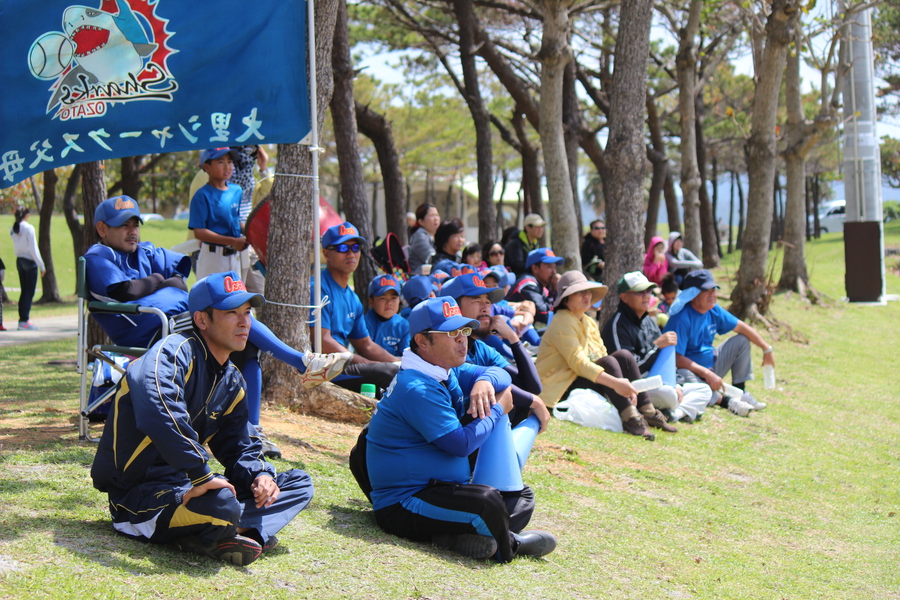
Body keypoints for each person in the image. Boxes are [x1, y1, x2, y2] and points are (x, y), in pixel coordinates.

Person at [84, 196, 350, 458]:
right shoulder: (99, 255)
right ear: (102, 229)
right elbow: (126, 290)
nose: (132, 232)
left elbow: (178, 280)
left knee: (245, 342)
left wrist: (156, 283)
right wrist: (158, 278)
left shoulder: (146, 250)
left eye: (135, 224)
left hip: (181, 321)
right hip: (155, 332)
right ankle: (302, 363)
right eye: (123, 226)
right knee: (232, 322)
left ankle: (254, 428)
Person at [90, 271, 314, 567]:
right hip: (138, 497)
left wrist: (261, 476)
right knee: (222, 503)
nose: (244, 321)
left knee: (298, 483)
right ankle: (232, 527)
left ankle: (226, 530)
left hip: (192, 487)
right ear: (202, 320)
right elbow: (159, 409)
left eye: (247, 312)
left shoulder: (232, 380)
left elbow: (238, 447)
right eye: (231, 313)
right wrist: (202, 475)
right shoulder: (171, 353)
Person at [361, 296, 557, 561]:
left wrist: (485, 380)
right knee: (487, 502)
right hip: (406, 503)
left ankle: (454, 538)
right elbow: (460, 444)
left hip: (438, 487)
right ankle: (511, 544)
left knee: (521, 495)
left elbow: (502, 375)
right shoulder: (417, 386)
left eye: (464, 331)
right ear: (422, 341)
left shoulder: (443, 368)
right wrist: (499, 408)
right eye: (452, 333)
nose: (463, 339)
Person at [536, 271, 677, 441]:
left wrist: (627, 387)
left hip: (580, 380)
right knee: (610, 361)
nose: (587, 295)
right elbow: (579, 363)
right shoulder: (562, 321)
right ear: (566, 299)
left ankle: (648, 411)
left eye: (588, 291)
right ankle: (631, 418)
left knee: (624, 356)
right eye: (580, 292)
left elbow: (600, 354)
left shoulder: (587, 321)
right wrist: (617, 383)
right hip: (561, 387)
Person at [441, 273, 550, 431]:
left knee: (517, 398)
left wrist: (513, 338)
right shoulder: (445, 345)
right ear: (453, 309)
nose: (485, 307)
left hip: (464, 436)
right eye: (477, 301)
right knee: (501, 397)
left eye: (487, 301)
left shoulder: (480, 347)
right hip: (446, 437)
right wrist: (535, 401)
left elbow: (532, 386)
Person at [601, 272, 712, 424]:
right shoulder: (617, 325)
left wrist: (676, 384)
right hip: (636, 387)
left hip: (660, 383)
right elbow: (630, 369)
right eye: (640, 292)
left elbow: (665, 360)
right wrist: (657, 347)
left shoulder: (649, 321)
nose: (646, 296)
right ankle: (667, 410)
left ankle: (674, 414)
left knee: (703, 390)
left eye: (648, 291)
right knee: (668, 394)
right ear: (624, 297)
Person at [663, 269, 772, 417]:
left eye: (714, 290)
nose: (713, 294)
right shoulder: (681, 318)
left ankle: (739, 392)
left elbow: (742, 327)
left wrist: (767, 349)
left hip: (712, 367)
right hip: (690, 372)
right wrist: (706, 373)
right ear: (693, 294)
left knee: (741, 340)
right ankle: (728, 401)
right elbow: (675, 358)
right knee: (689, 381)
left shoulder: (713, 310)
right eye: (707, 291)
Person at [314, 222, 401, 395]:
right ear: (326, 254)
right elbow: (322, 342)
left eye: (355, 247)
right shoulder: (317, 288)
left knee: (400, 370)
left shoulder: (353, 298)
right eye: (342, 248)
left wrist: (397, 361)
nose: (351, 253)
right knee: (388, 373)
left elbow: (366, 345)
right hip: (323, 369)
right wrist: (369, 365)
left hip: (342, 365)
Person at [189, 148, 249, 279]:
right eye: (221, 162)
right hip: (213, 258)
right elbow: (199, 232)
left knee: (234, 297)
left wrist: (251, 233)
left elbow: (235, 221)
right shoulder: (202, 196)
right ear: (207, 167)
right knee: (212, 297)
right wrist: (232, 241)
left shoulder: (236, 191)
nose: (228, 166)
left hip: (235, 256)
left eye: (230, 161)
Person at [506, 248, 564, 325]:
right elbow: (546, 315)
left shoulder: (541, 286)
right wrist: (554, 290)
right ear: (535, 268)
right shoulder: (528, 284)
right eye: (549, 267)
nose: (554, 272)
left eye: (554, 267)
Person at [9, 206, 45, 330]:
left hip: (19, 260)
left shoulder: (13, 229)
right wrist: (41, 265)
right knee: (29, 292)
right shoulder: (29, 228)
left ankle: (22, 319)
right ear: (27, 215)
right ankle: (24, 320)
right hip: (29, 261)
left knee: (24, 291)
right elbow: (33, 248)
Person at [364, 274, 410, 357]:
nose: (389, 303)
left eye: (393, 298)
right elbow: (367, 352)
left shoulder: (403, 325)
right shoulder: (365, 323)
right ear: (371, 302)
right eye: (383, 298)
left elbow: (405, 355)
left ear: (399, 300)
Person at [407, 203, 440, 274]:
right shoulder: (419, 236)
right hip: (420, 279)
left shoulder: (436, 236)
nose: (436, 218)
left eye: (437, 215)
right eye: (432, 215)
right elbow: (432, 259)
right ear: (421, 222)